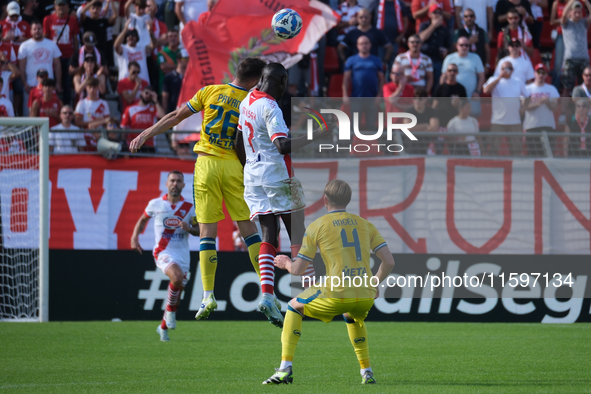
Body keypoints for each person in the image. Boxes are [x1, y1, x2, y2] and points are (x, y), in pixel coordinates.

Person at [128, 57, 268, 321]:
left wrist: (146, 133)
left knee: (207, 233)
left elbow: (175, 116)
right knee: (249, 229)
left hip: (206, 165)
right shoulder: (253, 102)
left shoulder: (210, 91)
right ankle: (267, 292)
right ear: (255, 81)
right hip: (234, 166)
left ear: (235, 72)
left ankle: (208, 295)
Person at [264, 179, 395, 385]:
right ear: (348, 200)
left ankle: (284, 369)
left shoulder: (318, 226)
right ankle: (367, 371)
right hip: (365, 295)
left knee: (293, 306)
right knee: (352, 315)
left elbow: (298, 270)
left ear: (325, 199)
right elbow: (389, 261)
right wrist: (375, 283)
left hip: (337, 292)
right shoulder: (365, 224)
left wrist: (286, 263)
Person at [237, 63, 329, 328]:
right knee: (297, 230)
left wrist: (252, 169)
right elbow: (281, 145)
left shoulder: (247, 102)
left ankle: (267, 294)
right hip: (277, 176)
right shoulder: (270, 106)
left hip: (253, 177)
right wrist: (316, 135)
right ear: (281, 81)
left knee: (269, 234)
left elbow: (237, 142)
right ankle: (310, 293)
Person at [131, 170, 200, 341]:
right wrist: (134, 238)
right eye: (172, 181)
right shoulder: (156, 204)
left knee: (177, 295)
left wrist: (189, 229)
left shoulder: (190, 208)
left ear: (184, 185)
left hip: (183, 255)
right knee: (176, 278)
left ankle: (162, 327)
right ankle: (169, 313)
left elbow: (200, 231)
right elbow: (142, 220)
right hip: (163, 251)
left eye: (178, 181)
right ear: (166, 184)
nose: (175, 184)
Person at [483, 60, 530, 156]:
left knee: (516, 148)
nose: (506, 70)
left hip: (515, 121)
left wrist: (524, 107)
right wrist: (500, 77)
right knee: (494, 147)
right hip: (498, 121)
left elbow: (528, 96)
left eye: (509, 68)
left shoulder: (518, 82)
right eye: (504, 68)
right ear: (500, 69)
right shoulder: (493, 79)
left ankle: (515, 167)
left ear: (513, 70)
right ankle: (494, 167)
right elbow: (486, 90)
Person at [18, 20, 62, 115]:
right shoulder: (24, 46)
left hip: (48, 86)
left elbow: (58, 65)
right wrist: (24, 82)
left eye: (39, 29)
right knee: (29, 114)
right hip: (31, 86)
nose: (37, 31)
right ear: (30, 31)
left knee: (48, 114)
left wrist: (58, 83)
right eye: (34, 29)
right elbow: (21, 67)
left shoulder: (52, 44)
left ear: (43, 30)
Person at [43, 0, 79, 106]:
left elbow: (75, 39)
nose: (61, 8)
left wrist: (76, 56)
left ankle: (67, 107)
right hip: (53, 57)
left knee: (67, 84)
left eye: (64, 5)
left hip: (68, 56)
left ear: (68, 7)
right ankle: (55, 105)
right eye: (59, 5)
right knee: (53, 82)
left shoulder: (72, 20)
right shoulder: (48, 19)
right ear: (55, 6)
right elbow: (45, 37)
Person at [523, 63, 560, 156]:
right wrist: (539, 103)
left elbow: (555, 107)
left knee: (548, 154)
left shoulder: (552, 89)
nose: (540, 75)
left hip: (548, 125)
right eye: (538, 72)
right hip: (532, 126)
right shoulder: (527, 89)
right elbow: (524, 107)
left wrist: (547, 101)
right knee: (533, 155)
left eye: (543, 72)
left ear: (546, 75)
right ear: (534, 73)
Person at [121, 85, 164, 153]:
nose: (147, 96)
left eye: (150, 94)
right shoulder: (130, 109)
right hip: (134, 144)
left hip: (149, 145)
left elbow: (162, 117)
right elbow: (124, 128)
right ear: (141, 92)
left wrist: (156, 100)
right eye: (146, 93)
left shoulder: (153, 108)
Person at [418, 3, 451, 93]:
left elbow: (449, 46)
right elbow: (420, 39)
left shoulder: (445, 30)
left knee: (437, 85)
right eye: (435, 12)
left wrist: (446, 51)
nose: (437, 14)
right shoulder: (424, 25)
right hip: (424, 59)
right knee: (422, 84)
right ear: (429, 14)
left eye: (440, 13)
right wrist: (433, 26)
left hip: (437, 59)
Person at [560, 0, 591, 95]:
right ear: (570, 12)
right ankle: (564, 110)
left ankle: (586, 108)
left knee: (586, 86)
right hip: (570, 59)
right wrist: (571, 1)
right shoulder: (566, 23)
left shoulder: (583, 23)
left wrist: (586, 2)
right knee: (567, 87)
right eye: (575, 12)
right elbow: (564, 15)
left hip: (583, 58)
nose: (577, 15)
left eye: (579, 12)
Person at [342, 35, 384, 101]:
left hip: (372, 98)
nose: (364, 45)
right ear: (357, 46)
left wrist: (379, 95)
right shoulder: (351, 60)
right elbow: (346, 79)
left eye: (366, 43)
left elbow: (381, 79)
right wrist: (345, 95)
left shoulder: (377, 60)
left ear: (370, 45)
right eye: (361, 44)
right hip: (356, 97)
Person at [115, 19, 154, 84]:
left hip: (142, 83)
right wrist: (125, 30)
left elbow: (153, 45)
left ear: (137, 37)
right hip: (126, 84)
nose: (130, 37)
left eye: (133, 35)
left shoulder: (143, 48)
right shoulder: (123, 48)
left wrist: (150, 31)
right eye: (128, 35)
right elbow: (116, 46)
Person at [79, 0, 118, 66]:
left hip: (101, 51)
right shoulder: (87, 20)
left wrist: (111, 2)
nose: (95, 11)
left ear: (100, 10)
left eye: (97, 9)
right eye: (93, 8)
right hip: (88, 51)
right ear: (89, 10)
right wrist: (92, 1)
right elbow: (82, 13)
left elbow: (115, 16)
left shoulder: (104, 21)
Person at [454, 7, 491, 73]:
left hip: (480, 64)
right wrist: (469, 42)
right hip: (464, 64)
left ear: (475, 17)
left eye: (471, 16)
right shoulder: (458, 32)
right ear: (463, 19)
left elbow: (487, 50)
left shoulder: (481, 31)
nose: (469, 18)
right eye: (466, 16)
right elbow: (454, 49)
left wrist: (487, 64)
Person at [433, 63, 467, 131]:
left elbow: (465, 107)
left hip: (456, 122)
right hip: (442, 120)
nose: (452, 72)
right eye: (450, 70)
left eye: (454, 70)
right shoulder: (440, 88)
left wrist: (457, 105)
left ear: (457, 72)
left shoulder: (461, 88)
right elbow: (434, 105)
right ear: (446, 72)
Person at [157, 27, 181, 93]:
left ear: (178, 38)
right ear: (167, 39)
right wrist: (179, 67)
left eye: (175, 36)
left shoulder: (182, 52)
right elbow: (163, 67)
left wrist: (170, 67)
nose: (173, 38)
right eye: (170, 36)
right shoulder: (162, 53)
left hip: (180, 88)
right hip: (165, 89)